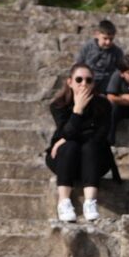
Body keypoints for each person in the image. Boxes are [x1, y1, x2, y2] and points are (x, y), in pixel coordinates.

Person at [46, 62, 112, 223]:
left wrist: (65, 138)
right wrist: (77, 110)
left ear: (93, 83)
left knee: (89, 146)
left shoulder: (103, 104)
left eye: (88, 80)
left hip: (95, 159)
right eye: (79, 79)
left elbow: (100, 135)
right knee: (70, 146)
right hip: (66, 159)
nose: (84, 83)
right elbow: (66, 132)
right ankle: (64, 202)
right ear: (70, 82)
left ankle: (90, 202)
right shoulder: (59, 105)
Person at [78, 19, 122, 95]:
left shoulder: (117, 52)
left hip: (106, 88)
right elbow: (79, 65)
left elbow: (119, 71)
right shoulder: (87, 47)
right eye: (105, 38)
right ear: (97, 34)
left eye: (111, 39)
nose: (108, 42)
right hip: (88, 85)